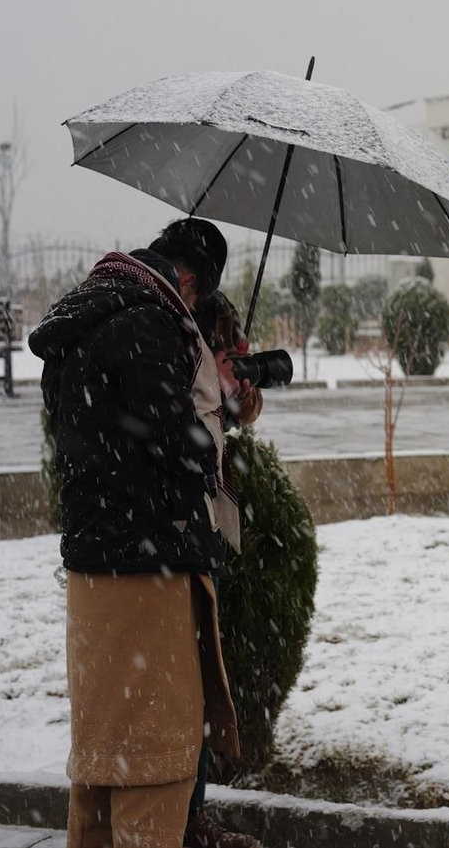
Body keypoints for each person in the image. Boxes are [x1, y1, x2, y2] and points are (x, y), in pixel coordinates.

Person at [30, 218, 240, 848]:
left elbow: (102, 433)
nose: (195, 312)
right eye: (199, 301)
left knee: (100, 769)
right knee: (154, 766)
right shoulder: (149, 321)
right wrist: (218, 413)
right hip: (147, 572)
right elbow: (175, 449)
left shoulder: (89, 313)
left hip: (95, 569)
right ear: (191, 280)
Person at [183, 292, 262, 848]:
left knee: (204, 673)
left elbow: (224, 420)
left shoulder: (213, 316)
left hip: (208, 518)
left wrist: (239, 400)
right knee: (187, 678)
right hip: (179, 520)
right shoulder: (164, 324)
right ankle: (182, 818)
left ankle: (193, 814)